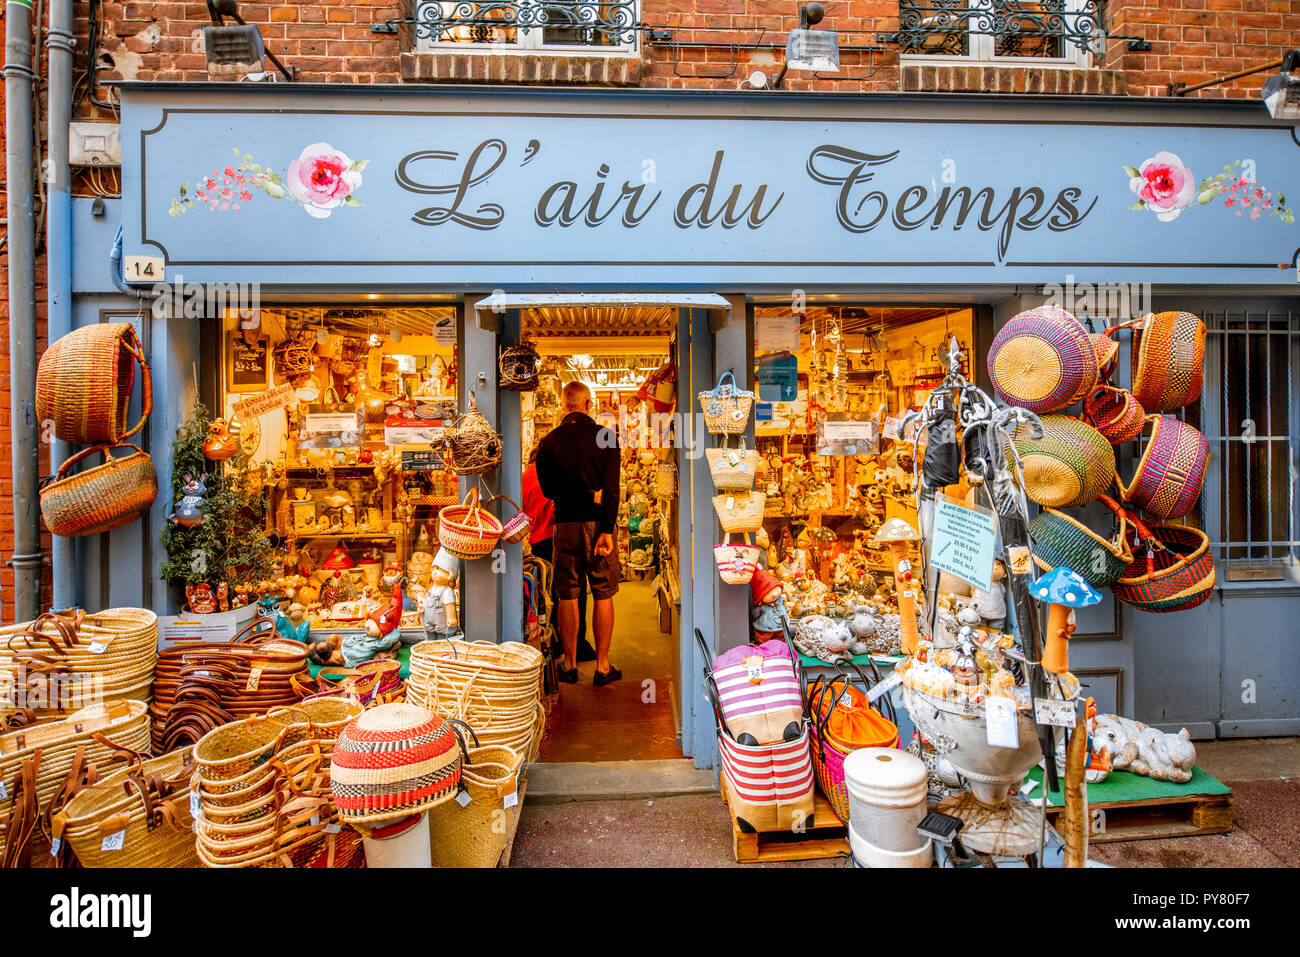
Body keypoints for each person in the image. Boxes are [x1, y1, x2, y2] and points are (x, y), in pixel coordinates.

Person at [536, 381, 622, 685]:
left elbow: (548, 490)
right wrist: (607, 528)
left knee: (567, 593)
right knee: (603, 592)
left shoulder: (548, 442)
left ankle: (569, 666)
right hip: (599, 527)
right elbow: (611, 490)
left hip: (565, 525)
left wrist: (577, 495)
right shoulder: (606, 437)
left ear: (563, 405)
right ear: (589, 405)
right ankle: (602, 666)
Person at [522, 445, 595, 661]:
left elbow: (522, 512)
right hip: (566, 535)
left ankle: (552, 645)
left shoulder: (525, 477)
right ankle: (578, 644)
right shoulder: (562, 471)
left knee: (547, 595)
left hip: (540, 541)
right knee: (574, 591)